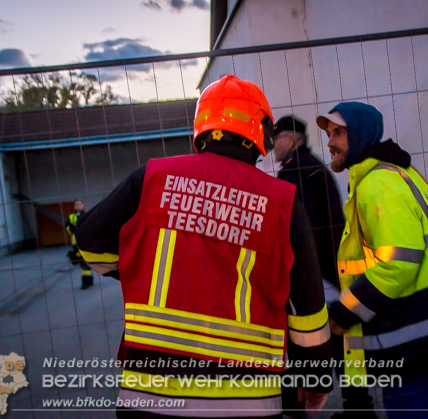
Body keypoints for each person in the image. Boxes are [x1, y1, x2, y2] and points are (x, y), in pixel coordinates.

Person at [75, 75, 333, 418]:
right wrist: (316, 380)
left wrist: (140, 269)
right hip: (247, 402)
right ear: (262, 133)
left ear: (200, 127)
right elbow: (307, 309)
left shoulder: (150, 179)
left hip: (150, 396)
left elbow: (90, 243)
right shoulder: (281, 201)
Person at [315, 101, 428, 418]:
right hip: (425, 325)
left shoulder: (378, 183)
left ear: (361, 135)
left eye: (339, 132)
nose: (330, 142)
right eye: (330, 133)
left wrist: (346, 311)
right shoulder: (394, 172)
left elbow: (398, 263)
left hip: (409, 333)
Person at [272, 115, 347, 416]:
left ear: (290, 139)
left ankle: (306, 407)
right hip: (331, 274)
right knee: (339, 352)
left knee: (309, 354)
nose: (271, 145)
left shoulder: (294, 174)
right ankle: (358, 406)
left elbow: (298, 235)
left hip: (316, 280)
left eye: (276, 138)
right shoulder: (315, 168)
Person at [65, 199, 93, 290]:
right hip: (76, 244)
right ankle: (88, 281)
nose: (78, 206)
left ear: (83, 205)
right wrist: (73, 226)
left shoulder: (88, 215)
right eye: (76, 205)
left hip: (87, 243)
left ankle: (87, 281)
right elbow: (68, 230)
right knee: (83, 263)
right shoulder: (71, 217)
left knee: (86, 263)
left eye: (79, 204)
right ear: (74, 207)